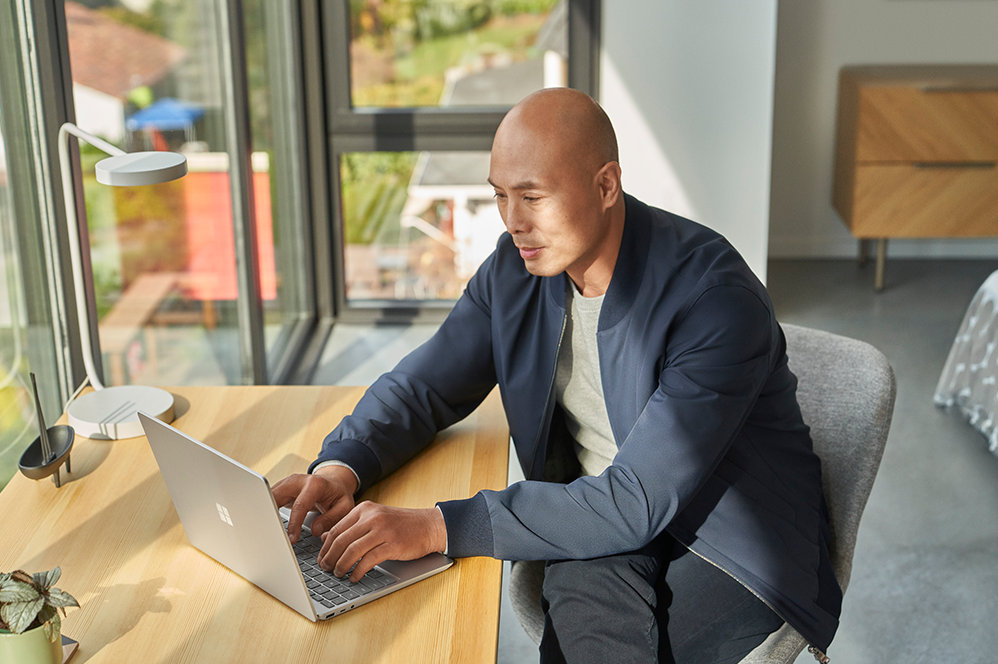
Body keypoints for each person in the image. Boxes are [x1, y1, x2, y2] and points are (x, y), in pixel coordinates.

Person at [272, 88, 842, 664]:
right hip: (596, 515)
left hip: (728, 544)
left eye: (533, 197)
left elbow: (639, 500)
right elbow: (427, 383)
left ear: (606, 186)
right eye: (500, 196)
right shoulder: (517, 271)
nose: (514, 222)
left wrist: (438, 526)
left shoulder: (715, 300)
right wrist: (342, 464)